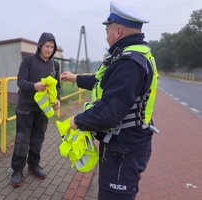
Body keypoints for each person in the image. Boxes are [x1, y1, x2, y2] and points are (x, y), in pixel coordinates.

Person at [60, 1, 159, 200]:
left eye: (107, 31)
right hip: (124, 145)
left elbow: (110, 112)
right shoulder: (132, 55)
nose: (106, 36)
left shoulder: (129, 63)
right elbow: (103, 82)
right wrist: (75, 78)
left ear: (119, 31)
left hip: (124, 149)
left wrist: (77, 121)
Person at [11, 32, 61, 187]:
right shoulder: (28, 61)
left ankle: (34, 166)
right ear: (40, 46)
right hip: (26, 107)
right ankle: (17, 170)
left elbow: (57, 85)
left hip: (43, 109)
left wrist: (58, 98)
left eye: (52, 47)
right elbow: (20, 82)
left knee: (38, 138)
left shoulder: (55, 65)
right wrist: (34, 86)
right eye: (47, 46)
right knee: (22, 139)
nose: (49, 49)